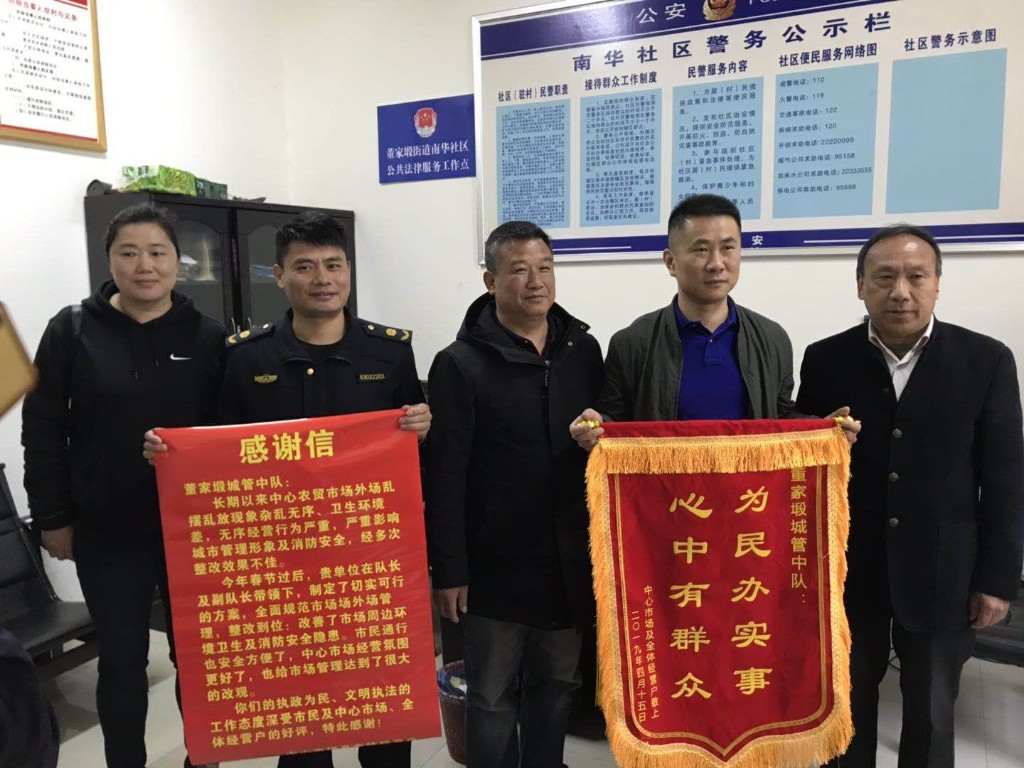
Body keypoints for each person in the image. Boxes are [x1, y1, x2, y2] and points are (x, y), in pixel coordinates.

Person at [147, 211, 430, 768]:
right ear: (278, 275)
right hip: (285, 559)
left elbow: (411, 451)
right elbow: (218, 451)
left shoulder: (390, 352)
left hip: (367, 558)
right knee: (302, 708)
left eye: (333, 264)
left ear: (349, 270)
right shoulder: (246, 355)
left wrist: (423, 425)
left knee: (381, 702)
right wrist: (171, 453)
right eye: (304, 266)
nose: (322, 278)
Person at [796, 224, 1024, 767]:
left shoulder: (986, 360)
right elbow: (801, 464)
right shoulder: (825, 359)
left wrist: (997, 581)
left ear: (937, 284)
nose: (901, 291)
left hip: (946, 572)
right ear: (860, 285)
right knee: (845, 709)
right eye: (884, 277)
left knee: (931, 714)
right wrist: (820, 436)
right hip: (850, 571)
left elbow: (1005, 479)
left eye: (916, 277)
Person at [21, 203, 225, 768]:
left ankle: (202, 760)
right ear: (109, 259)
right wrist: (52, 518)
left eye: (157, 252)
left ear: (177, 261)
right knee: (122, 660)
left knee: (199, 659)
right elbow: (42, 428)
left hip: (193, 530)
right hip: (106, 528)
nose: (144, 266)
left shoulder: (208, 336)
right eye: (128, 253)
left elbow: (230, 430)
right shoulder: (71, 329)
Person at [424, 221, 604, 768]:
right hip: (493, 565)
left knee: (557, 685)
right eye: (519, 270)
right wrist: (449, 571)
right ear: (490, 280)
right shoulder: (459, 363)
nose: (536, 281)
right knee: (491, 695)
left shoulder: (582, 350)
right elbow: (445, 475)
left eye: (545, 268)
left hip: (568, 559)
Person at [570, 193, 856, 448]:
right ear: (670, 262)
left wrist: (823, 430)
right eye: (701, 250)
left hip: (749, 488)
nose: (717, 264)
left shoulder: (772, 338)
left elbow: (779, 416)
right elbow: (616, 419)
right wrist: (593, 427)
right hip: (667, 489)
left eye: (728, 248)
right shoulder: (633, 342)